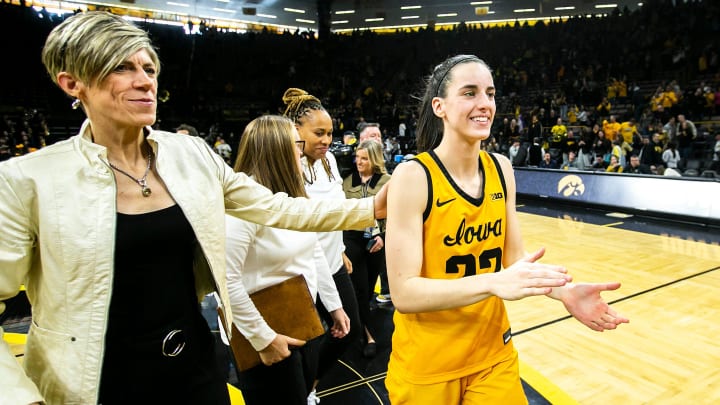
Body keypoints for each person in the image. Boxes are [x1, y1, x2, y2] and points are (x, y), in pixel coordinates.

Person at [0, 13, 385, 405]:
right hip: (97, 382)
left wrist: (373, 207)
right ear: (72, 83)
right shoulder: (27, 181)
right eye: (121, 67)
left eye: (148, 67)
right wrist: (19, 398)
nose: (144, 80)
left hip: (195, 367)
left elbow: (278, 208)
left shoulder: (191, 155)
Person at [384, 55, 628, 404]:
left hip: (492, 354)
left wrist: (565, 292)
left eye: (490, 93)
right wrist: (493, 282)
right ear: (439, 106)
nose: (484, 104)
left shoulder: (501, 168)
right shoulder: (414, 176)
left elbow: (514, 260)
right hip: (427, 365)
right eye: (469, 93)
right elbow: (405, 294)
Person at [225, 115, 349, 404]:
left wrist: (334, 305)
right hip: (266, 331)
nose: (300, 151)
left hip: (301, 321)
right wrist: (264, 339)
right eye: (296, 144)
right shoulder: (242, 204)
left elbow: (314, 250)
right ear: (276, 149)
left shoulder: (291, 197)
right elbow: (226, 280)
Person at [281, 87, 364, 403]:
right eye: (318, 133)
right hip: (304, 272)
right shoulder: (288, 165)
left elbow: (337, 208)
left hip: (332, 262)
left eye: (330, 132)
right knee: (309, 342)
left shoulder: (329, 160)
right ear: (296, 131)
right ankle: (303, 391)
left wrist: (341, 248)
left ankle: (310, 384)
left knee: (350, 330)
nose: (326, 140)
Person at [342, 140, 391, 358]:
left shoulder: (387, 181)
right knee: (359, 290)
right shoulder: (347, 181)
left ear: (375, 160)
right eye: (357, 157)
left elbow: (394, 212)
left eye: (364, 158)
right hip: (352, 238)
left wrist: (382, 235)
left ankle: (358, 325)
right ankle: (368, 337)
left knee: (369, 288)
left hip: (376, 241)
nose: (359, 162)